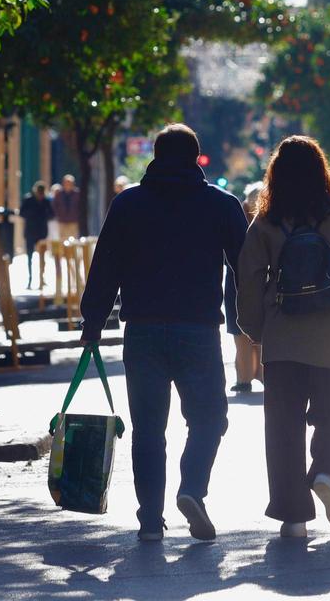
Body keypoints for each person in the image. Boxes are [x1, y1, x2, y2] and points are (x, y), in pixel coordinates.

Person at [80, 124, 247, 543]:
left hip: (143, 331)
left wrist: (93, 321)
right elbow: (245, 268)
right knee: (209, 418)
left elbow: (106, 267)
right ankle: (191, 488)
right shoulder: (221, 205)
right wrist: (254, 320)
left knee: (149, 428)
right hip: (198, 330)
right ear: (196, 157)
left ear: (155, 154)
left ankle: (150, 520)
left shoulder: (129, 204)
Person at [236, 136, 330, 539]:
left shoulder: (267, 218)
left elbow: (249, 278)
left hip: (284, 336)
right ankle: (329, 473)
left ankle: (293, 517)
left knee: (283, 426)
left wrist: (255, 328)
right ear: (322, 169)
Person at [228, 183, 263, 394]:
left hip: (237, 282)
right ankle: (256, 373)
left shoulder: (239, 220)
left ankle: (245, 377)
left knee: (240, 332)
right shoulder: (271, 222)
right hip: (258, 282)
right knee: (257, 331)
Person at [19, 181, 54, 290]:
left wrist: (44, 216)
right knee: (29, 257)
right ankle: (30, 279)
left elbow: (52, 214)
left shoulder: (46, 201)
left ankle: (41, 279)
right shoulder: (28, 200)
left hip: (41, 232)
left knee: (42, 257)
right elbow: (21, 213)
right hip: (30, 231)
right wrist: (33, 214)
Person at [52, 174, 81, 240]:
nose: (68, 185)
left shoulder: (77, 194)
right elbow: (54, 206)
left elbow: (80, 207)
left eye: (70, 183)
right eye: (66, 183)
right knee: (62, 240)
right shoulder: (59, 194)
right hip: (62, 221)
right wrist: (58, 215)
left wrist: (77, 215)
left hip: (73, 221)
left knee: (73, 240)